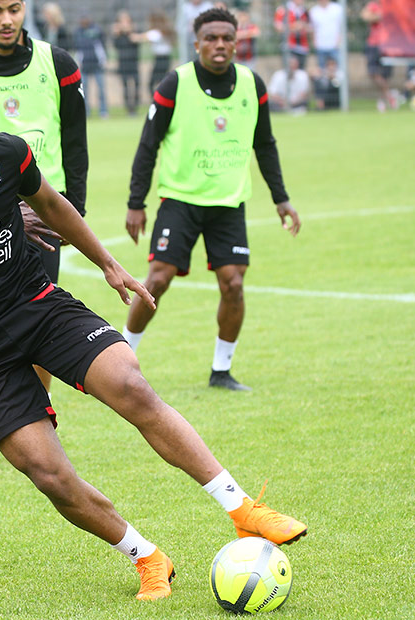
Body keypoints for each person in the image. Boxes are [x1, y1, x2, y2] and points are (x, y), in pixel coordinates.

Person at [0, 51, 307, 600]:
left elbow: (52, 204)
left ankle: (242, 508)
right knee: (48, 473)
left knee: (130, 383)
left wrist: (109, 264)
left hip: (38, 308)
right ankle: (147, 557)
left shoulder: (4, 153)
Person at [123, 7, 302, 391]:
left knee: (233, 284)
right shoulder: (176, 83)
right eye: (211, 38)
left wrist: (281, 198)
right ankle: (122, 359)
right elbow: (148, 145)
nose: (219, 45)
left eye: (226, 38)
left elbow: (265, 144)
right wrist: (136, 203)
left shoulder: (252, 85)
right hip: (180, 200)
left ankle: (221, 370)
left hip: (228, 203)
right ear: (197, 43)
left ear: (236, 43)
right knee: (158, 279)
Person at [0, 0, 88, 464]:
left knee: (39, 315)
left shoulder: (58, 63)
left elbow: (75, 141)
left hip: (44, 209)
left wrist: (76, 210)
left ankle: (30, 419)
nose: (7, 20)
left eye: (14, 8)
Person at [361, 1, 396, 111]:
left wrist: (378, 16)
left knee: (385, 75)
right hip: (373, 45)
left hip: (388, 44)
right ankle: (389, 96)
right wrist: (379, 16)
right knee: (373, 73)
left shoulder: (392, 6)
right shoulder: (374, 5)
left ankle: (383, 100)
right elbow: (365, 16)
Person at [74, 15, 108, 118]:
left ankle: (103, 110)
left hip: (97, 64)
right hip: (84, 65)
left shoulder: (97, 30)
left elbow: (102, 46)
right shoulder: (78, 32)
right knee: (84, 90)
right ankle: (86, 111)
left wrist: (103, 60)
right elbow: (77, 49)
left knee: (101, 89)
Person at [112, 11, 141, 116]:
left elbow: (137, 43)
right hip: (123, 63)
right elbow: (116, 46)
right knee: (125, 87)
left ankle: (135, 107)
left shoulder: (134, 32)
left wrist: (130, 33)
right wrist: (117, 34)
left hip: (133, 62)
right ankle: (129, 109)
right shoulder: (118, 35)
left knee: (136, 85)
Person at [143, 10, 175, 96]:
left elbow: (143, 37)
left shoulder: (157, 32)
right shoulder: (166, 31)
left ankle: (158, 99)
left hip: (160, 59)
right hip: (166, 58)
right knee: (162, 81)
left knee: (153, 82)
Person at [274, 0, 310, 69]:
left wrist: (304, 26)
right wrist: (293, 27)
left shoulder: (304, 11)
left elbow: (310, 27)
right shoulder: (283, 9)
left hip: (303, 47)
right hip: (289, 46)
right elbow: (278, 27)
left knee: (301, 71)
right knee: (289, 70)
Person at [308, 0, 343, 70]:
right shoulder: (313, 11)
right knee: (321, 71)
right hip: (320, 46)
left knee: (337, 71)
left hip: (335, 46)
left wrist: (339, 41)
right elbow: (312, 29)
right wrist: (315, 43)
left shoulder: (337, 9)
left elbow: (342, 27)